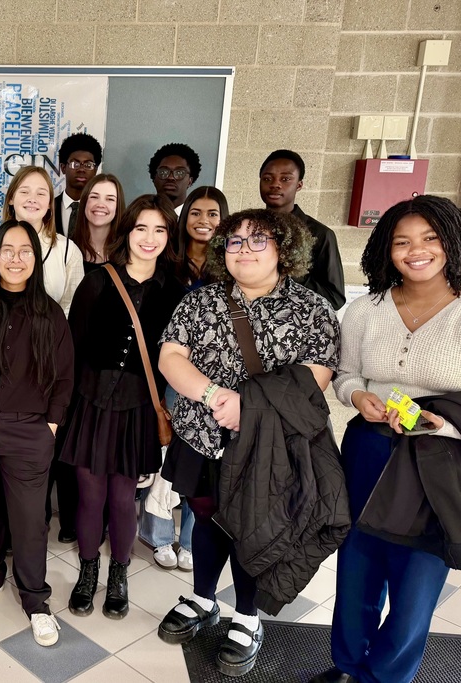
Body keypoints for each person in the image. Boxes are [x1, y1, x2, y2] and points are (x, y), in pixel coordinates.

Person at [313, 196, 461, 683]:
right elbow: (346, 373)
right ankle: (349, 666)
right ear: (386, 250)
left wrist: (447, 425)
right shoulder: (365, 309)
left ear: (452, 242)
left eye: (431, 238)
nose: (417, 251)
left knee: (416, 582)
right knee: (357, 571)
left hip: (440, 461)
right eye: (403, 242)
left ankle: (386, 676)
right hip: (369, 450)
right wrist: (357, 398)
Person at [156, 208, 339, 677]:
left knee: (256, 526)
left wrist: (249, 406)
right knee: (206, 518)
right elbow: (170, 355)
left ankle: (246, 616)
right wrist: (214, 394)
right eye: (234, 242)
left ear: (284, 248)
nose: (244, 250)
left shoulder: (312, 307)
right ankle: (202, 598)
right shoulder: (200, 301)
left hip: (270, 445)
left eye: (258, 240)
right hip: (202, 434)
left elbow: (317, 375)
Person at [61, 194, 185, 621]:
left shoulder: (174, 290)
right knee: (89, 497)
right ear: (126, 232)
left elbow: (178, 356)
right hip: (90, 402)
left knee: (122, 498)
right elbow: (72, 349)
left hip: (138, 408)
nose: (149, 238)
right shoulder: (97, 281)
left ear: (169, 236)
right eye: (140, 228)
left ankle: (119, 573)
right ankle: (88, 570)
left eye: (159, 229)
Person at [0, 220, 74, 646]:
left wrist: (51, 424)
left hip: (30, 431)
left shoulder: (50, 312)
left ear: (36, 259)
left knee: (29, 520)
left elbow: (64, 378)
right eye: (8, 250)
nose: (16, 258)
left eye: (25, 251)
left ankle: (35, 599)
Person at [144, 186, 230, 572]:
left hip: (215, 376)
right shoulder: (168, 264)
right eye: (196, 212)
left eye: (213, 214)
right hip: (171, 368)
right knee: (166, 446)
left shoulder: (229, 266)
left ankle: (192, 537)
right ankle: (159, 534)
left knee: (204, 453)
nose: (204, 221)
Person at [0, 166, 85, 315]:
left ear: (49, 203)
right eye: (24, 192)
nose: (32, 199)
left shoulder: (68, 250)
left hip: (49, 336)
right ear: (11, 198)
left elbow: (71, 309)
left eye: (41, 193)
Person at [259, 149, 346, 310]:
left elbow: (335, 299)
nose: (275, 184)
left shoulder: (320, 234)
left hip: (293, 325)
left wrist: (289, 271)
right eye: (267, 178)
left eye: (285, 179)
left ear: (299, 185)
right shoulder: (247, 228)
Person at [69, 173, 124, 272]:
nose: (101, 204)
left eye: (110, 199)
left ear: (118, 207)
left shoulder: (126, 252)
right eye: (94, 197)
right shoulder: (67, 249)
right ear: (84, 203)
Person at [54, 133, 103, 235]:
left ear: (95, 170)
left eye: (88, 165)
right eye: (75, 164)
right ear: (63, 168)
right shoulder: (47, 209)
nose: (81, 169)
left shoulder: (102, 211)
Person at [149, 143, 201, 215]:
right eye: (164, 172)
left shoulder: (197, 219)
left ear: (190, 181)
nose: (170, 177)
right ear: (154, 178)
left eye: (179, 173)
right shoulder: (140, 216)